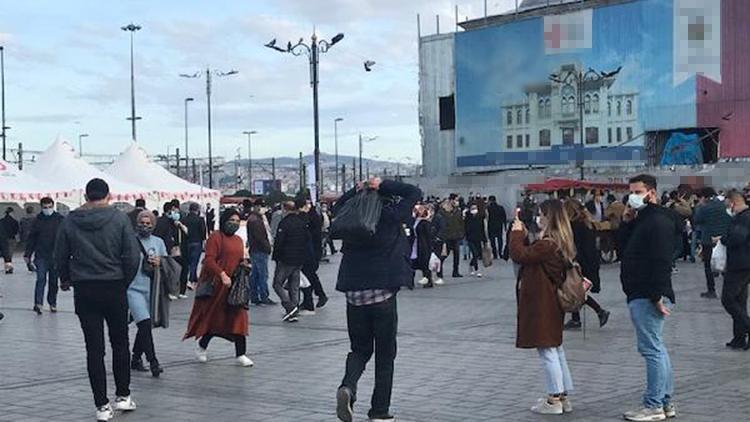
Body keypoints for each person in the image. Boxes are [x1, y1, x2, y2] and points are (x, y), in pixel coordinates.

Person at [335, 178, 421, 422]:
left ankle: (348, 387)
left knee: (359, 349)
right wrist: (382, 184)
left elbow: (336, 207)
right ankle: (379, 412)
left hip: (354, 296)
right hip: (382, 294)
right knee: (385, 355)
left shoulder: (350, 218)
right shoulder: (390, 215)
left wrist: (357, 188)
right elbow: (414, 191)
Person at [54, 178, 141, 421]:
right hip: (114, 286)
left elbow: (60, 253)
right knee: (120, 342)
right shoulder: (120, 219)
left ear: (86, 195)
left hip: (85, 288)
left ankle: (101, 406)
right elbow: (132, 255)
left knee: (94, 348)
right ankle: (123, 396)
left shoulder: (70, 220)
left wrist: (65, 278)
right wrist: (124, 280)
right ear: (109, 195)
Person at [618, 174, 676, 422]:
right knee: (657, 348)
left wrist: (657, 295)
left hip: (647, 293)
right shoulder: (643, 219)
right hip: (641, 291)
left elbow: (662, 260)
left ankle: (654, 405)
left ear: (652, 192)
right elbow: (625, 249)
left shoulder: (658, 221)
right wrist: (627, 222)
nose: (633, 196)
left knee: (652, 349)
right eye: (631, 191)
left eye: (638, 191)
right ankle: (664, 401)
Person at [509, 199, 575, 415]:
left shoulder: (548, 244)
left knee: (547, 349)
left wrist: (517, 233)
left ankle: (553, 398)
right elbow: (530, 255)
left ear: (549, 217)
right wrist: (526, 235)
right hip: (550, 301)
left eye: (541, 214)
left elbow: (520, 254)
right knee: (555, 347)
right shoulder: (556, 242)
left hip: (542, 301)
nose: (539, 217)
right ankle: (562, 395)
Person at [184, 208, 253, 367]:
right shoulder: (216, 237)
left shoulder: (238, 240)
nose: (234, 224)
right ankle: (202, 345)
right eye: (231, 220)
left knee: (239, 317)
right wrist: (221, 274)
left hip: (234, 286)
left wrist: (244, 265)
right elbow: (209, 260)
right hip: (217, 286)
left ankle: (241, 353)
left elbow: (240, 258)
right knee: (216, 319)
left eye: (237, 221)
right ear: (224, 220)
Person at [128, 211, 169, 378]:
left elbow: (167, 263)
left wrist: (160, 262)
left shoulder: (158, 242)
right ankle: (153, 361)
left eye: (148, 223)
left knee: (144, 324)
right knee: (144, 324)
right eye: (141, 223)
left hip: (152, 289)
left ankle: (136, 358)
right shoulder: (130, 240)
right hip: (132, 289)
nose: (144, 226)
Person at [562, 199, 610, 330]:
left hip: (580, 261)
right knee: (576, 290)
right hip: (588, 260)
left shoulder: (576, 225)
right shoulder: (586, 223)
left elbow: (577, 246)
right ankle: (579, 317)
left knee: (575, 290)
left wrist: (574, 260)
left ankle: (598, 312)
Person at [24, 197, 65, 314]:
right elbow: (32, 238)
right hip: (41, 255)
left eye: (49, 207)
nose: (47, 209)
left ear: (53, 206)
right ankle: (38, 303)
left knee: (53, 281)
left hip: (55, 255)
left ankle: (52, 303)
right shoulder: (37, 220)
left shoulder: (60, 219)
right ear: (41, 208)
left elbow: (65, 237)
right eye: (45, 207)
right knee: (40, 279)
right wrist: (28, 254)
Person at [271, 200, 310, 322]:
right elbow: (307, 239)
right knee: (294, 285)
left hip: (286, 259)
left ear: (285, 209)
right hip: (299, 259)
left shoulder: (285, 223)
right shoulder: (301, 222)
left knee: (277, 283)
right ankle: (294, 310)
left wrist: (276, 256)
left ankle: (289, 306)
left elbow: (279, 242)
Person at [720, 190, 750, 350]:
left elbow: (737, 238)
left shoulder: (743, 218)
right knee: (740, 301)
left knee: (728, 299)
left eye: (728, 205)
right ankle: (739, 338)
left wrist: (723, 239)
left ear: (733, 202)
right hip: (745, 263)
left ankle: (747, 327)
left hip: (739, 264)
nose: (728, 209)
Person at [693, 187, 731, 299]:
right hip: (724, 239)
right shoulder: (723, 205)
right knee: (726, 264)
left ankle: (711, 290)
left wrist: (699, 206)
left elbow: (697, 220)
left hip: (708, 239)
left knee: (708, 266)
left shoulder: (704, 208)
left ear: (704, 197)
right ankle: (729, 290)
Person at [299, 201, 329, 314]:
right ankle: (310, 299)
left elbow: (314, 233)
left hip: (312, 250)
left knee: (309, 275)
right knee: (309, 276)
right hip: (311, 250)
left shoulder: (312, 217)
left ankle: (318, 296)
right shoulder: (310, 216)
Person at [247, 201, 275, 306]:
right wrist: (268, 247)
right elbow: (260, 238)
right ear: (257, 207)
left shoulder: (253, 218)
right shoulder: (256, 220)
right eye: (263, 207)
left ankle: (254, 296)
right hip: (260, 250)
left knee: (255, 274)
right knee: (262, 274)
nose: (264, 209)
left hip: (255, 249)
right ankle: (264, 296)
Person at [182, 203, 207, 292]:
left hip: (187, 243)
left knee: (188, 262)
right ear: (197, 210)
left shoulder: (184, 219)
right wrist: (204, 241)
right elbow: (203, 231)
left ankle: (193, 278)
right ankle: (191, 280)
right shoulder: (200, 219)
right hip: (197, 242)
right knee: (194, 262)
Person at [437, 199, 464, 278]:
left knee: (457, 255)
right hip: (446, 237)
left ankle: (455, 271)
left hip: (456, 236)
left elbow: (461, 223)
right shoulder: (441, 214)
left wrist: (461, 233)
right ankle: (439, 271)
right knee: (444, 255)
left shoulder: (457, 212)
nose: (446, 206)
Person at [410, 205, 435, 288]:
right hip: (414, 244)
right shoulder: (414, 221)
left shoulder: (425, 223)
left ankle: (428, 280)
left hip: (422, 245)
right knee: (412, 263)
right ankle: (410, 281)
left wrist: (430, 247)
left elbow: (428, 236)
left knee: (424, 264)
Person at [464, 203, 486, 277]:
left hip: (478, 238)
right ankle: (477, 270)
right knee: (475, 253)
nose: (474, 210)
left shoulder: (480, 217)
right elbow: (465, 228)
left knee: (478, 254)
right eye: (473, 208)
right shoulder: (467, 217)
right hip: (470, 238)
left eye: (475, 208)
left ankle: (471, 265)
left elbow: (482, 229)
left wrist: (484, 239)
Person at [487, 195, 507, 260]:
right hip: (499, 226)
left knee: (492, 241)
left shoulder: (488, 208)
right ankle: (500, 253)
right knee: (500, 240)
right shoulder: (500, 208)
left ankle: (495, 254)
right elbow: (504, 217)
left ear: (490, 200)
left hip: (491, 226)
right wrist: (505, 226)